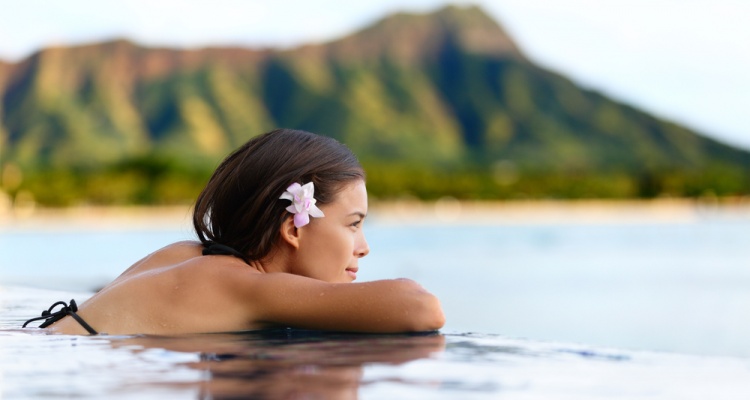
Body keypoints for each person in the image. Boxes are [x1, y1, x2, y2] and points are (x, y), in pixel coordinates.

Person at [23, 129, 445, 335]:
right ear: (292, 228)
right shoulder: (237, 284)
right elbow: (421, 308)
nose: (364, 248)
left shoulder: (189, 255)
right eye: (353, 225)